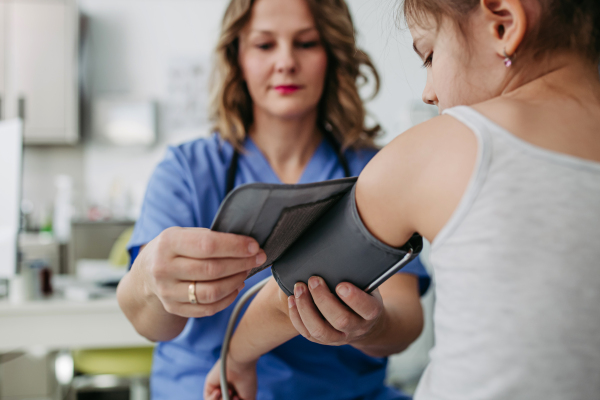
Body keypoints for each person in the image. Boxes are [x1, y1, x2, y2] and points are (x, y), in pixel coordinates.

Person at [204, 0, 600, 399]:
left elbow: (292, 288)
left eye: (429, 55)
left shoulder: (440, 148)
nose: (428, 93)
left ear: (503, 25)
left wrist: (235, 358)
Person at [116, 0, 430, 399]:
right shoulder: (187, 171)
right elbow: (150, 324)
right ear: (238, 58)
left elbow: (406, 318)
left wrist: (372, 325)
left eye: (306, 43)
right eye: (265, 45)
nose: (285, 62)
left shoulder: (375, 171)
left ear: (332, 54)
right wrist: (149, 278)